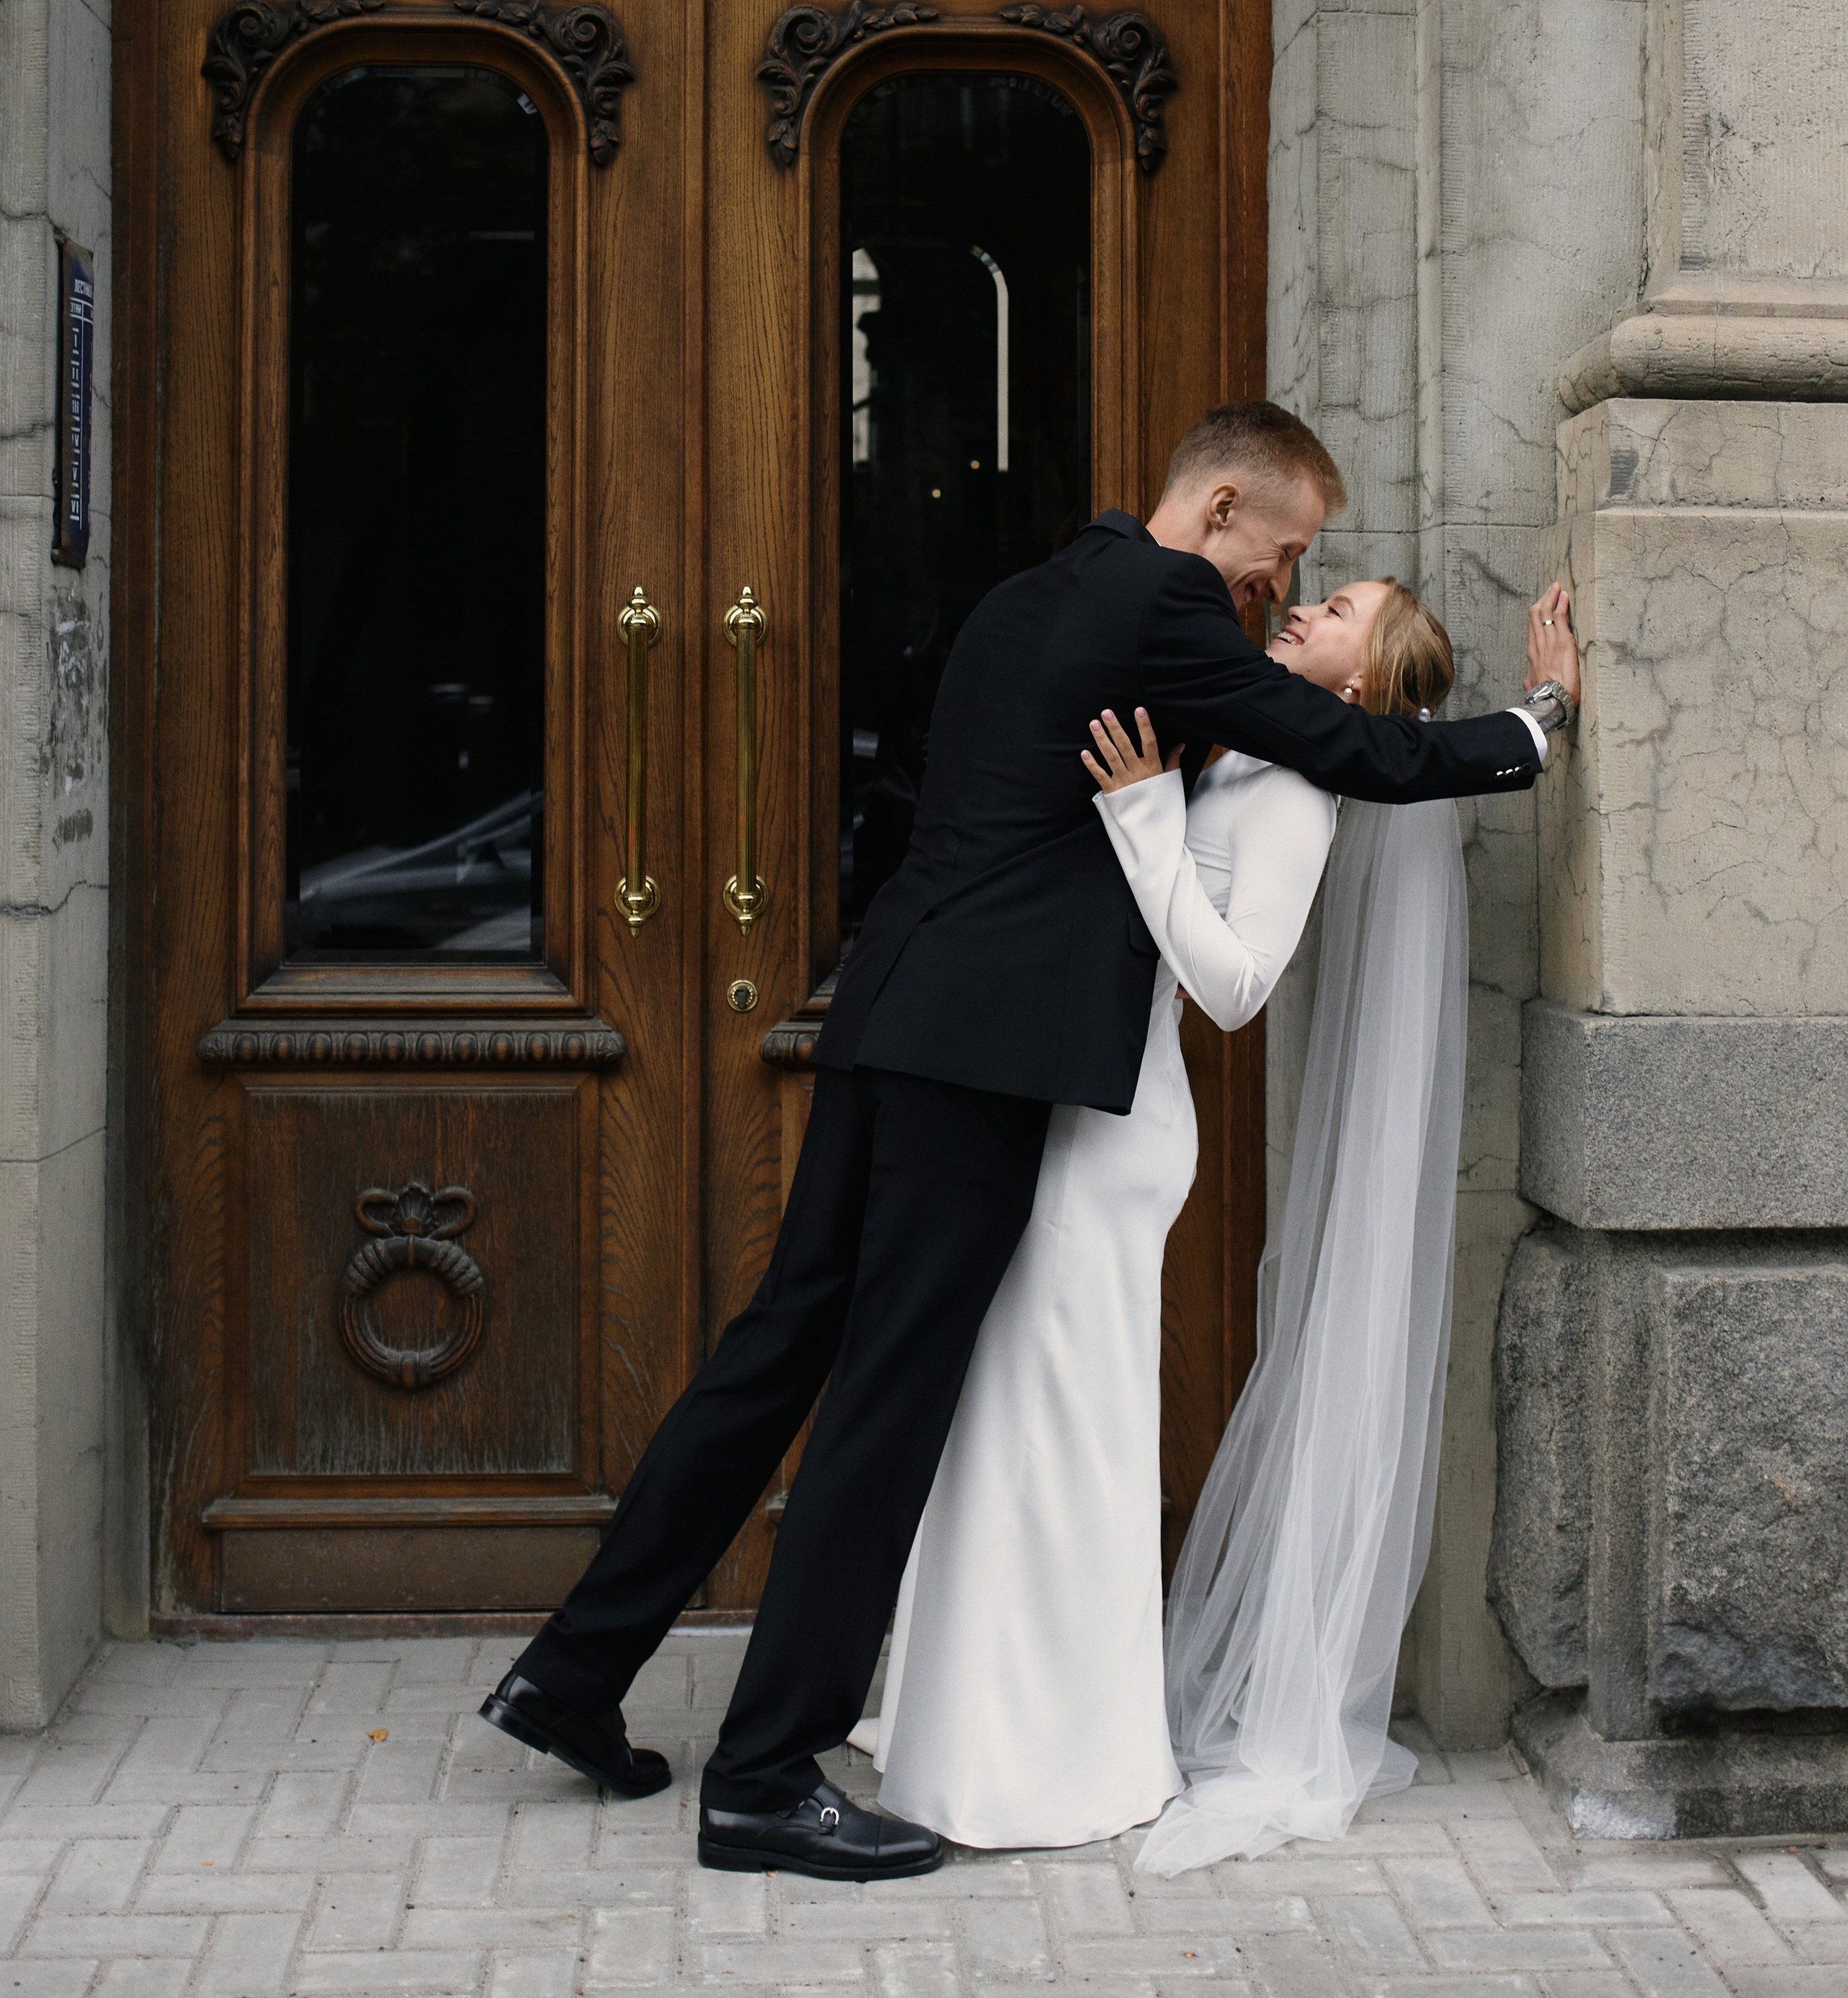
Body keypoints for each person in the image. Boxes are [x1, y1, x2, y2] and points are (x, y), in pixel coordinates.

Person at [479, 401, 1577, 1883]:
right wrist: (1537, 725)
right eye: (1284, 548)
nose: (1281, 580)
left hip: (888, 1010)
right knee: (885, 1404)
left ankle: (571, 1670)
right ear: (1222, 508)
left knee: (777, 1347)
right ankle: (762, 1773)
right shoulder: (1168, 605)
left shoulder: (1027, 597)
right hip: (982, 1058)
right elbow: (1349, 748)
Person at [858, 576, 1537, 1854]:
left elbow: (1234, 986)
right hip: (1073, 1101)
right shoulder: (1251, 752)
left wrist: (1142, 816)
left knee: (1072, 1438)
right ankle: (968, 1719)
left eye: (1340, 608)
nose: (1307, 606)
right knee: (1011, 1413)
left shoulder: (1294, 793)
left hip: (1120, 1134)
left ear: (1361, 680)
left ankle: (1064, 1759)